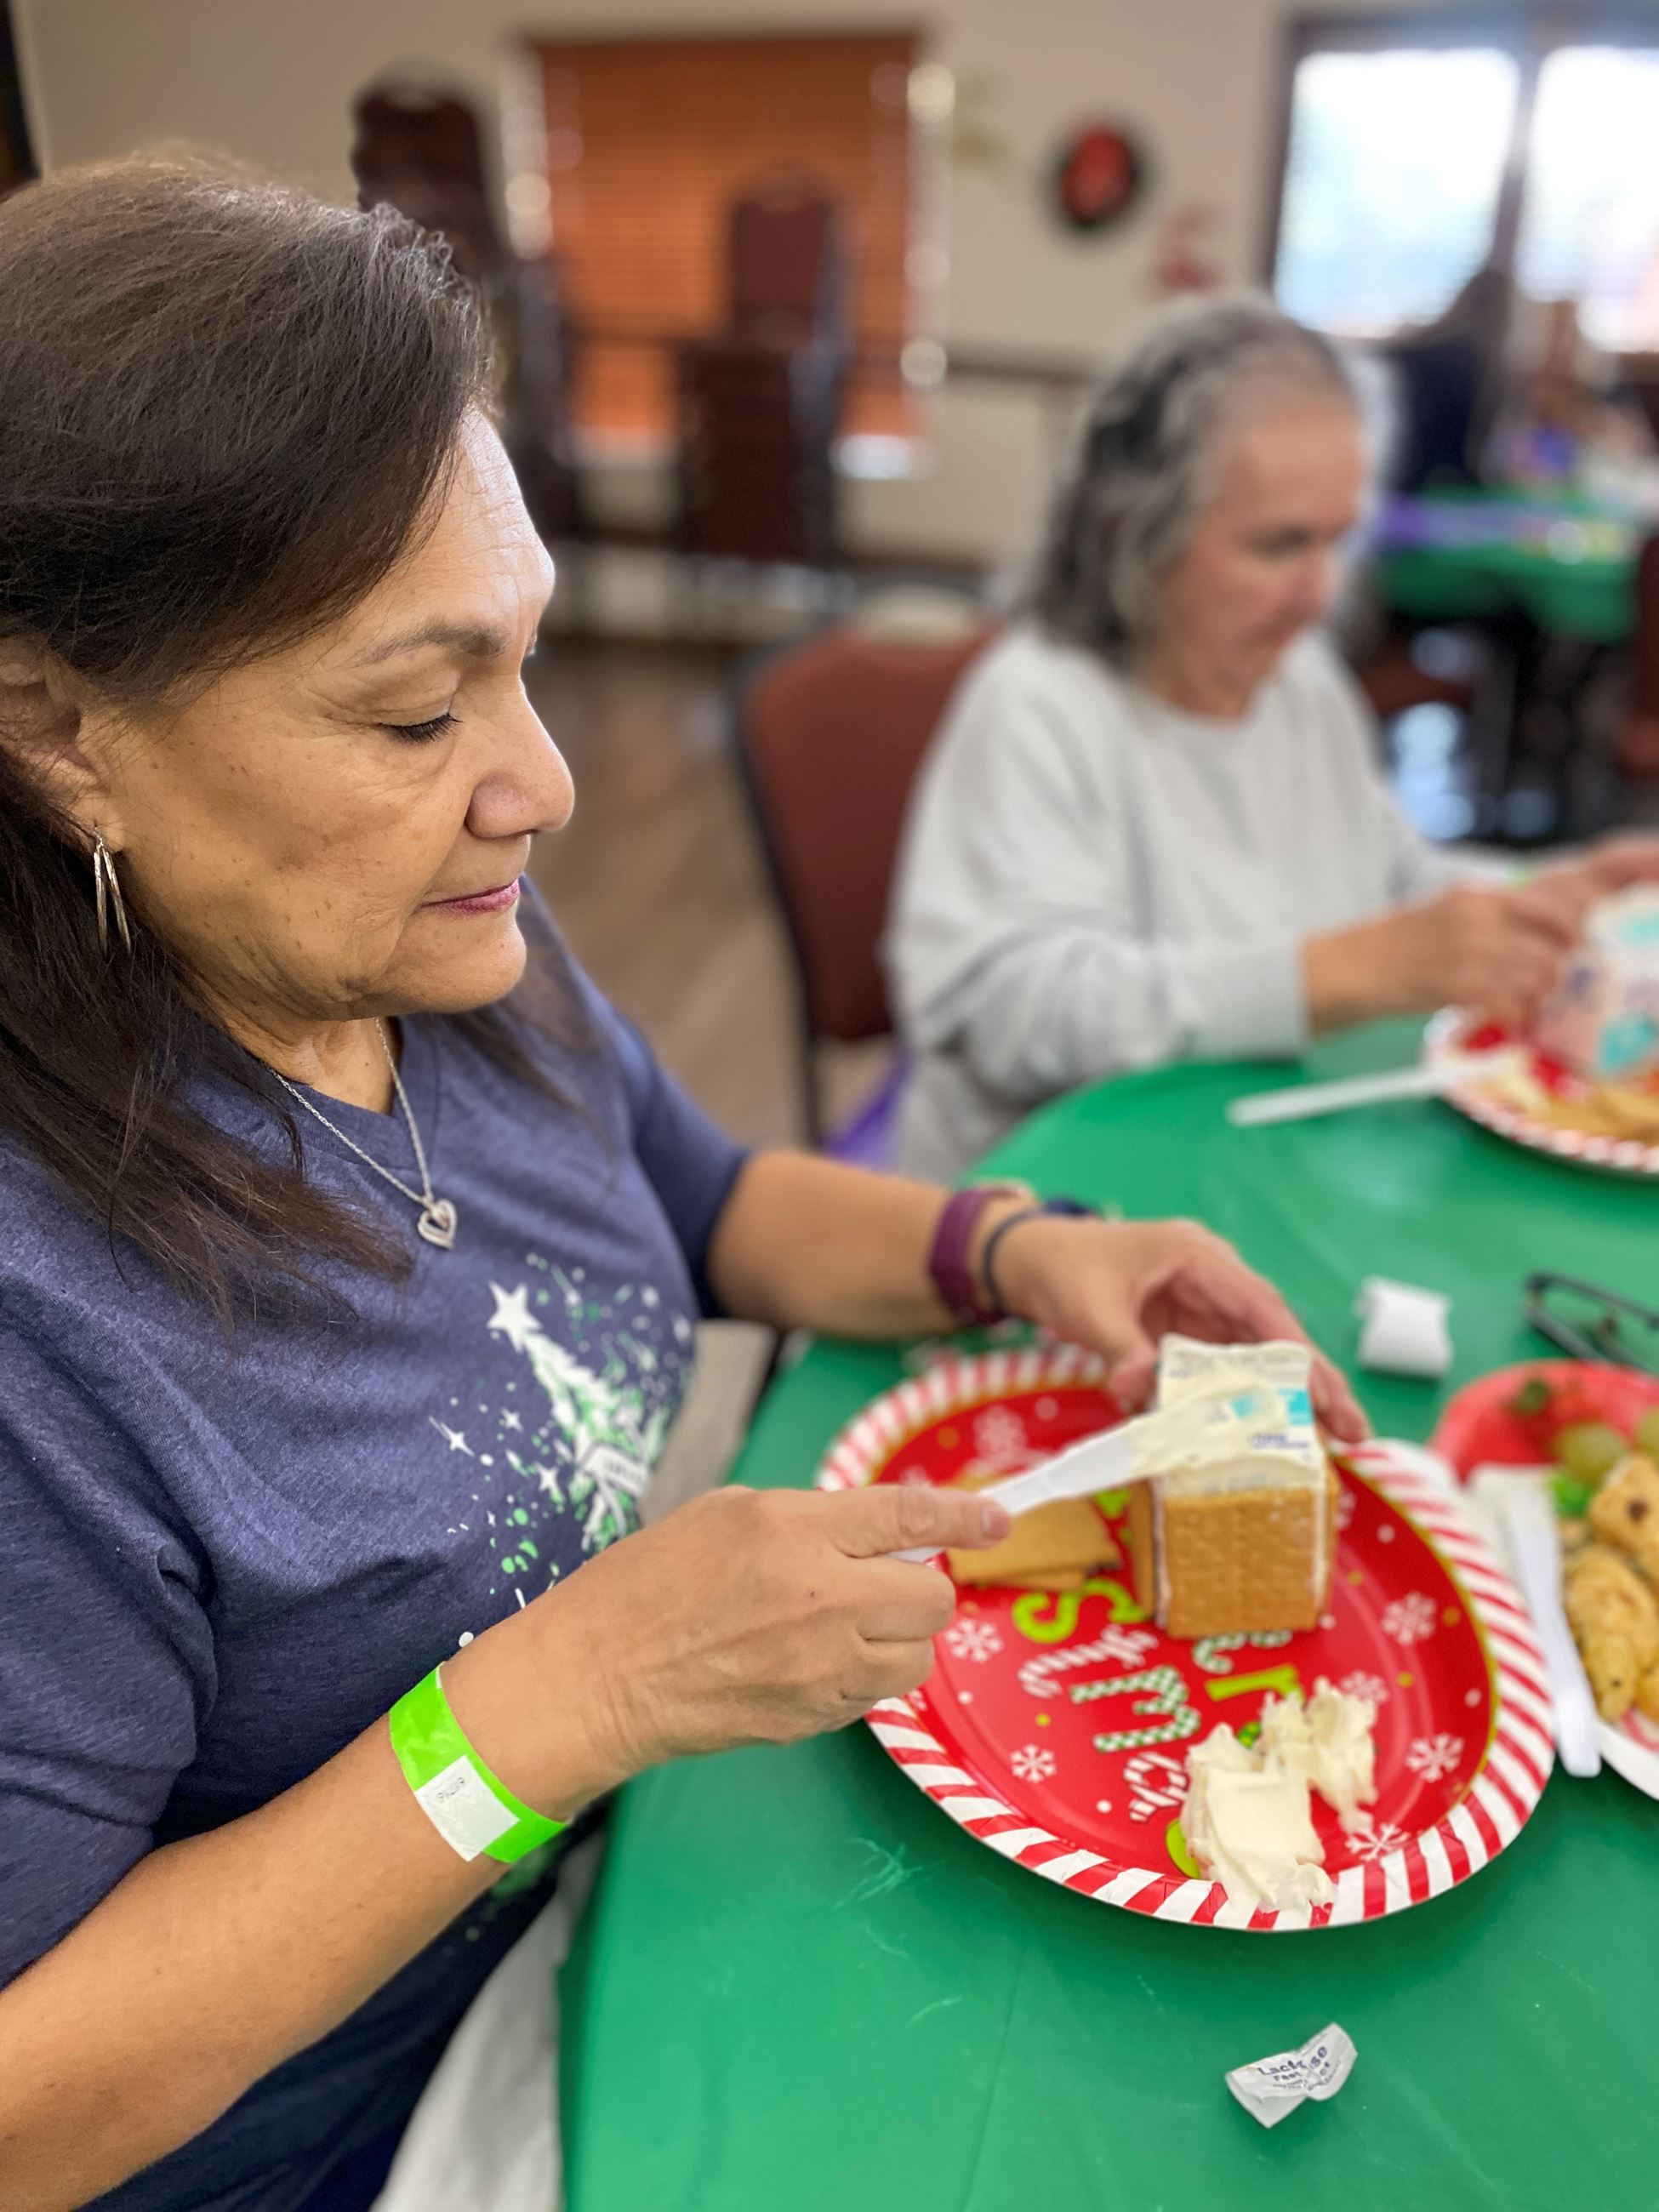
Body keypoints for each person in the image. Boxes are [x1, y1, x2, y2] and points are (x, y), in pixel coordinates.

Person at [0, 163, 1364, 2212]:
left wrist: (1010, 1242)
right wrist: (557, 1699)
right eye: (412, 706)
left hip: (617, 1899)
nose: (538, 780)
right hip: (348, 2134)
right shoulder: (46, 1329)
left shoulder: (436, 937)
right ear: (59, 734)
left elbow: (703, 1193)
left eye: (524, 662)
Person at [887, 293, 1659, 1181]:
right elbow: (1011, 1010)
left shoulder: (1300, 682)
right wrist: (1337, 973)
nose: (1321, 592)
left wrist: (1547, 894)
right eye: (1279, 545)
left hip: (1249, 1159)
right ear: (1132, 532)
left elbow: (1392, 882)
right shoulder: (1039, 705)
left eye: (1338, 540)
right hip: (1050, 1210)